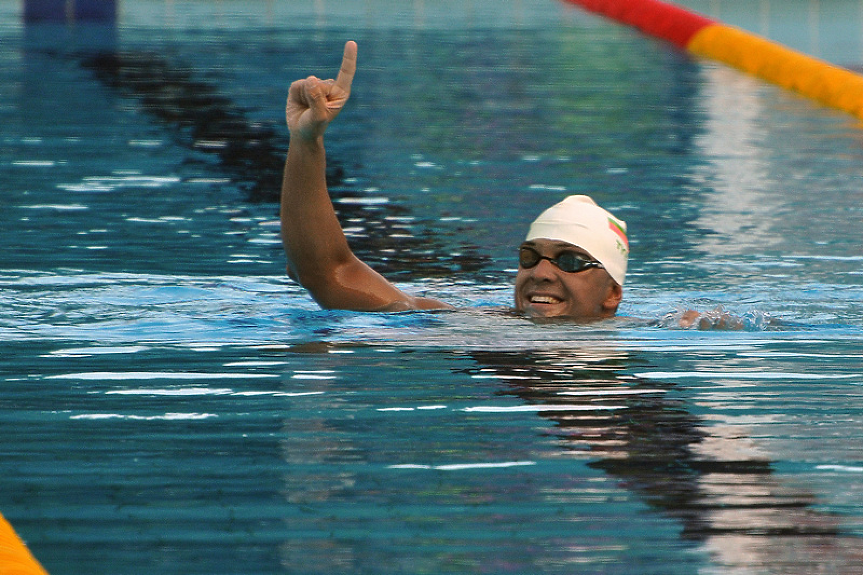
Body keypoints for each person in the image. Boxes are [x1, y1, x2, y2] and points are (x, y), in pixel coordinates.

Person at [281, 40, 628, 322]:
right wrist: (306, 141)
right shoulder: (479, 326)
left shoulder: (668, 333)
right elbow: (327, 273)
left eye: (569, 260)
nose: (541, 272)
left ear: (612, 293)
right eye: (529, 256)